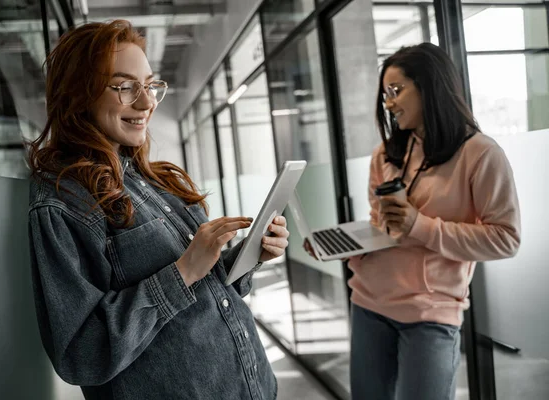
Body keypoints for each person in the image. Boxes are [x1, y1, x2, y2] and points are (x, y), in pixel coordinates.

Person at [27, 20, 287, 400]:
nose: (147, 102)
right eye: (124, 87)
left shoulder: (148, 177)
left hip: (250, 386)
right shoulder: (62, 203)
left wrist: (249, 257)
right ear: (78, 95)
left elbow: (205, 287)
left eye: (148, 85)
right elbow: (81, 355)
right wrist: (183, 272)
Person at [347, 43, 521, 400]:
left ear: (430, 86)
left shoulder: (481, 154)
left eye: (396, 91)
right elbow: (381, 224)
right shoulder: (387, 152)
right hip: (368, 301)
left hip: (431, 313)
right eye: (385, 94)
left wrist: (419, 226)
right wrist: (348, 244)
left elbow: (506, 239)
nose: (389, 103)